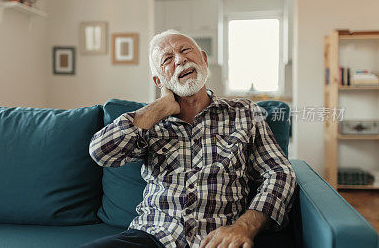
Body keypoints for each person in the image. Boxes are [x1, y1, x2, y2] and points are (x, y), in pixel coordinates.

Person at [81, 30, 297, 248]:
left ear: (203, 59)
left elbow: (279, 173)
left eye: (185, 50)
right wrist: (161, 107)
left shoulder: (244, 112)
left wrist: (243, 227)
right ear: (159, 80)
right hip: (153, 236)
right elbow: (100, 152)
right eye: (167, 59)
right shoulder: (149, 122)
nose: (180, 59)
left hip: (219, 239)